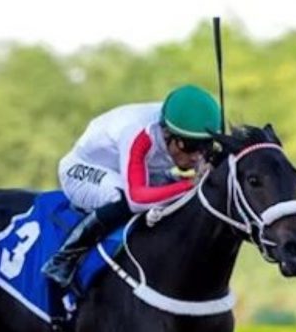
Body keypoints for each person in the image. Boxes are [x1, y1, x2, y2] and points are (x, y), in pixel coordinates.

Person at [41, 84, 222, 289]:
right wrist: (189, 184)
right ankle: (63, 259)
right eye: (191, 147)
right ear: (167, 133)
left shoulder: (183, 126)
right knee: (122, 197)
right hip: (82, 169)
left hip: (128, 168)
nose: (197, 156)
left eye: (205, 146)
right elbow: (136, 199)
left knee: (169, 189)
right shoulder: (138, 132)